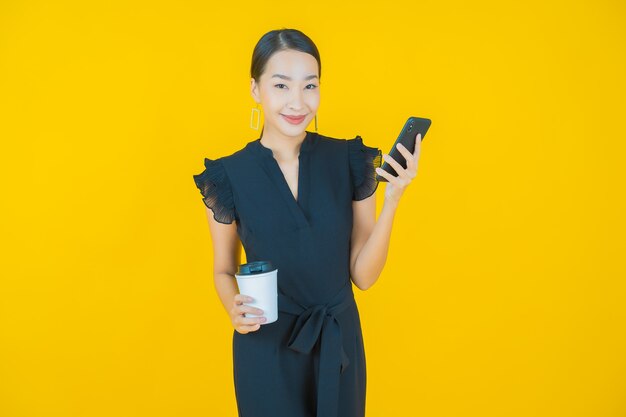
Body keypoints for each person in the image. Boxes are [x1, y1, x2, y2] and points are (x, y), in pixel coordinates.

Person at [193, 28, 421, 417]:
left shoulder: (349, 161)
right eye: (281, 86)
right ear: (255, 90)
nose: (297, 102)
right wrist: (234, 306)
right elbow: (222, 269)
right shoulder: (228, 176)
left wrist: (393, 199)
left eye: (309, 86)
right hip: (265, 347)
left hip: (338, 344)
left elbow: (363, 276)